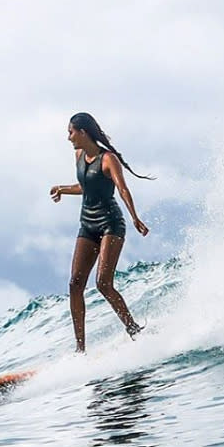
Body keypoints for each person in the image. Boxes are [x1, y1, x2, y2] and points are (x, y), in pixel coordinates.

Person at [50, 112, 152, 353]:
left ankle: (133, 329)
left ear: (83, 132)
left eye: (70, 132)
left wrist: (135, 217)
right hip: (87, 224)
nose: (68, 137)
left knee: (103, 283)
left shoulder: (108, 159)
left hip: (110, 224)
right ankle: (80, 350)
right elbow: (86, 187)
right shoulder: (79, 155)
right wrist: (63, 189)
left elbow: (123, 189)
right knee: (75, 284)